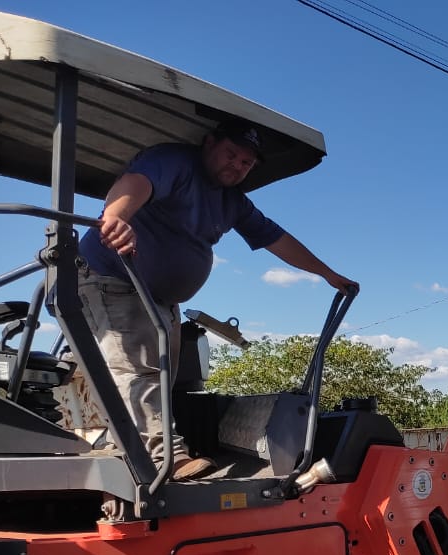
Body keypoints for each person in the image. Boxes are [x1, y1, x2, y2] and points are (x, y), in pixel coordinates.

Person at [77, 120, 356, 480]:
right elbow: (134, 183)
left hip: (159, 300)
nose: (237, 166)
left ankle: (131, 446)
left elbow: (276, 238)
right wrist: (115, 219)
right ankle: (163, 460)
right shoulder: (175, 162)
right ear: (209, 144)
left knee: (164, 379)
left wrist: (327, 273)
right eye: (231, 155)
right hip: (112, 279)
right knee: (138, 371)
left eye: (246, 164)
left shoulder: (232, 202)